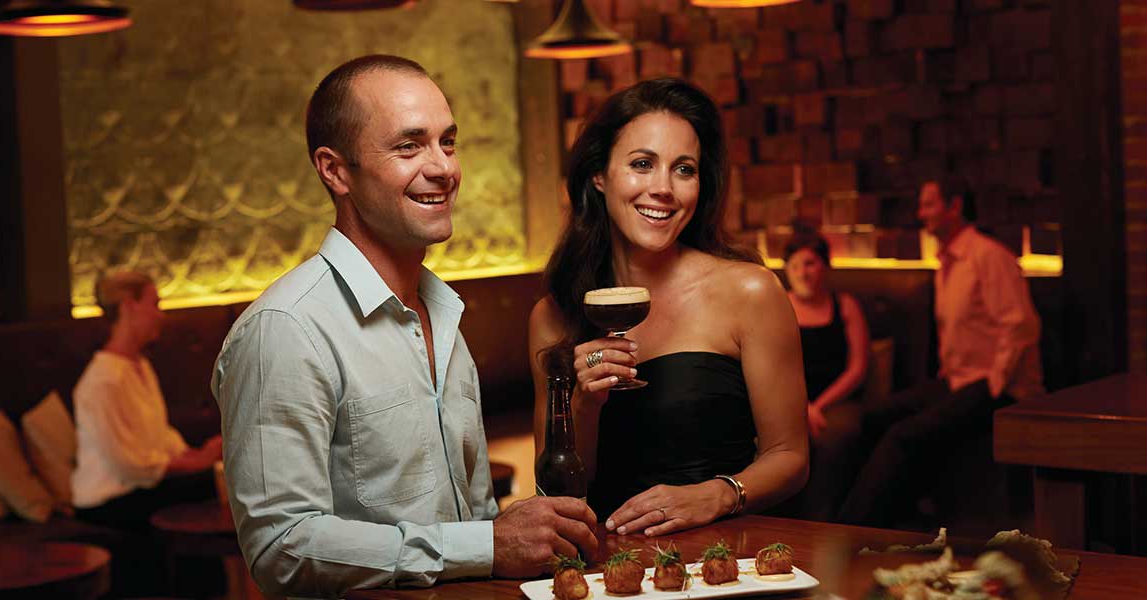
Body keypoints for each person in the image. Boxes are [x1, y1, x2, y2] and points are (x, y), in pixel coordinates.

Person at [212, 55, 597, 596]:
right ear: (335, 170)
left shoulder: (443, 312)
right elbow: (282, 546)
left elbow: (475, 514)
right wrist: (486, 545)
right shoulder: (286, 329)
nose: (443, 167)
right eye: (408, 146)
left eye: (448, 141)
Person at [528, 77, 809, 538]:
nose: (663, 188)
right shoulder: (552, 316)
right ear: (599, 174)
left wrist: (717, 494)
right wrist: (585, 401)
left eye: (684, 169)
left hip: (725, 561)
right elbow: (554, 492)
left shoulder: (750, 291)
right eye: (642, 164)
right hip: (608, 567)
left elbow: (791, 458)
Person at [837, 177, 1044, 526]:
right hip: (960, 379)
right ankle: (900, 521)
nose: (921, 214)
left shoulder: (988, 256)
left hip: (1001, 388)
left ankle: (848, 530)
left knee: (902, 436)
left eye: (929, 204)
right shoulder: (948, 262)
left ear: (955, 206)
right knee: (874, 418)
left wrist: (996, 381)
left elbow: (1020, 325)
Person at [72, 270, 223, 528]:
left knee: (222, 478)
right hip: (107, 502)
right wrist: (197, 462)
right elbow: (129, 465)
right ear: (130, 306)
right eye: (155, 304)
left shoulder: (139, 365)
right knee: (213, 485)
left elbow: (156, 435)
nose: (160, 315)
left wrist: (194, 454)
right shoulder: (102, 381)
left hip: (138, 491)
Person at [783, 229, 870, 521]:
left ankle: (825, 523)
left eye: (810, 264)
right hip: (791, 399)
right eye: (795, 265)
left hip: (838, 400)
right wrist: (802, 406)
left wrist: (819, 407)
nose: (802, 273)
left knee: (835, 436)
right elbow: (775, 367)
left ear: (825, 267)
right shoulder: (778, 305)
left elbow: (858, 368)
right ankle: (783, 523)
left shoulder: (845, 304)